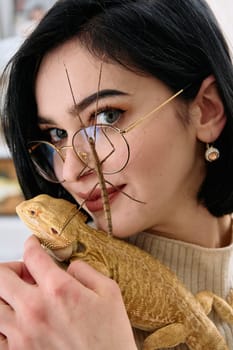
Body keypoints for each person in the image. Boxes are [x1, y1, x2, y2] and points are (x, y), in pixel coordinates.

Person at [1, 0, 233, 348]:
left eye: (106, 116)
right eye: (57, 135)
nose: (70, 171)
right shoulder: (39, 318)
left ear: (207, 110)